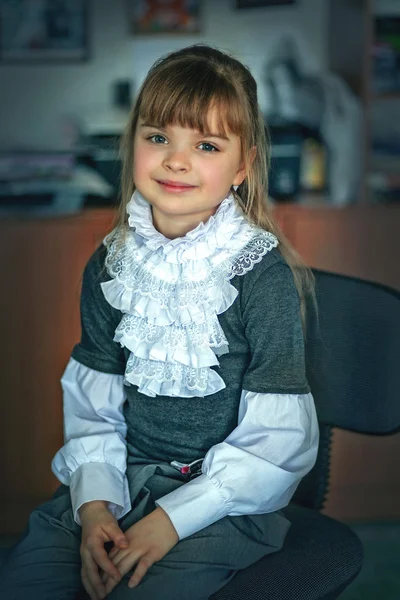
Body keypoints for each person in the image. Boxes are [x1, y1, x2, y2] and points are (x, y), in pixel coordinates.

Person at [2, 44, 319, 600]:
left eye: (206, 144)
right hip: (120, 476)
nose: (176, 160)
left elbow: (276, 440)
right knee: (30, 582)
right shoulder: (112, 261)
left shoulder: (260, 276)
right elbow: (93, 405)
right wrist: (96, 503)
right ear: (132, 147)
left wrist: (172, 518)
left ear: (242, 166)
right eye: (157, 138)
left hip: (223, 497)